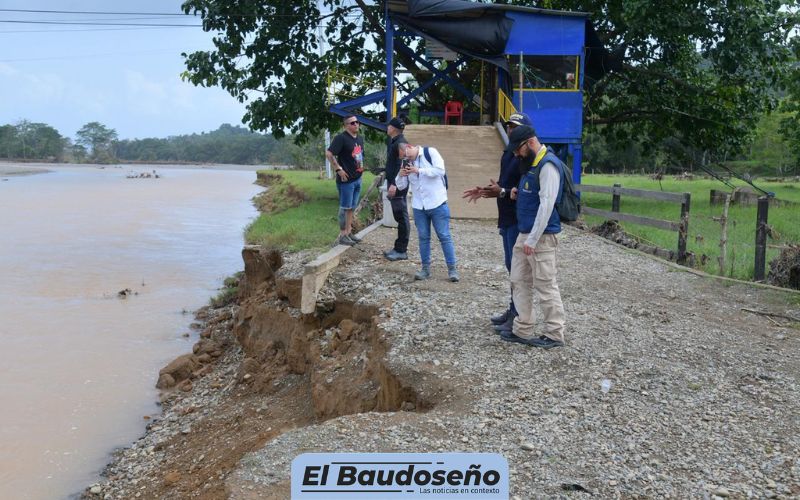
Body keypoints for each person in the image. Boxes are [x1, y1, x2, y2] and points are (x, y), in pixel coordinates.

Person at [462, 112, 532, 332]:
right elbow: (504, 184)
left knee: (518, 270)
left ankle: (519, 316)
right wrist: (486, 190)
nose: (510, 130)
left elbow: (523, 190)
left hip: (518, 219)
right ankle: (513, 310)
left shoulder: (526, 156)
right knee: (511, 267)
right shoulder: (508, 153)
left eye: (515, 127)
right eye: (509, 126)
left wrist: (502, 191)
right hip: (506, 217)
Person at [501, 125, 566, 349]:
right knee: (519, 280)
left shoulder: (548, 165)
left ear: (529, 143)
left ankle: (554, 333)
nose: (516, 154)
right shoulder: (532, 164)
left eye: (517, 150)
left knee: (545, 284)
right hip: (525, 232)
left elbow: (547, 204)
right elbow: (535, 196)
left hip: (542, 237)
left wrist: (533, 239)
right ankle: (523, 327)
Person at [395, 143, 459, 282]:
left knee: (444, 236)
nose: (406, 158)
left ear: (410, 147)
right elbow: (401, 186)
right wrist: (400, 175)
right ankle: (425, 269)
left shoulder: (430, 152)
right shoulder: (407, 163)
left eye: (406, 155)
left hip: (437, 203)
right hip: (419, 206)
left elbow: (440, 171)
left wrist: (419, 170)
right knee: (423, 237)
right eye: (403, 157)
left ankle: (452, 269)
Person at [325, 114, 365, 246]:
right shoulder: (341, 138)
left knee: (351, 208)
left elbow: (359, 156)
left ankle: (349, 232)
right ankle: (343, 235)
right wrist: (338, 169)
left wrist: (361, 170)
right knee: (344, 207)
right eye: (352, 123)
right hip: (346, 181)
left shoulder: (359, 139)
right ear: (346, 125)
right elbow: (329, 153)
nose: (356, 124)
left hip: (357, 178)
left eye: (357, 122)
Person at [382, 117, 410, 261]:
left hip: (397, 184)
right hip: (395, 182)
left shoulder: (400, 143)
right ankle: (398, 248)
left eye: (388, 126)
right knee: (399, 216)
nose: (387, 128)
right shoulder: (397, 141)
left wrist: (394, 183)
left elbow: (403, 164)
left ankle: (401, 250)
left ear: (392, 128)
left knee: (401, 217)